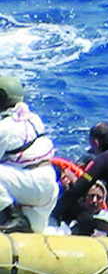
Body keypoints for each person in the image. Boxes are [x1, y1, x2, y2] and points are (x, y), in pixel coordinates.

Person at [0, 76, 59, 234]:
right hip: (49, 187)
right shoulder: (32, 118)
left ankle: (14, 217)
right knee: (33, 234)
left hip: (32, 186)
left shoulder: (5, 127)